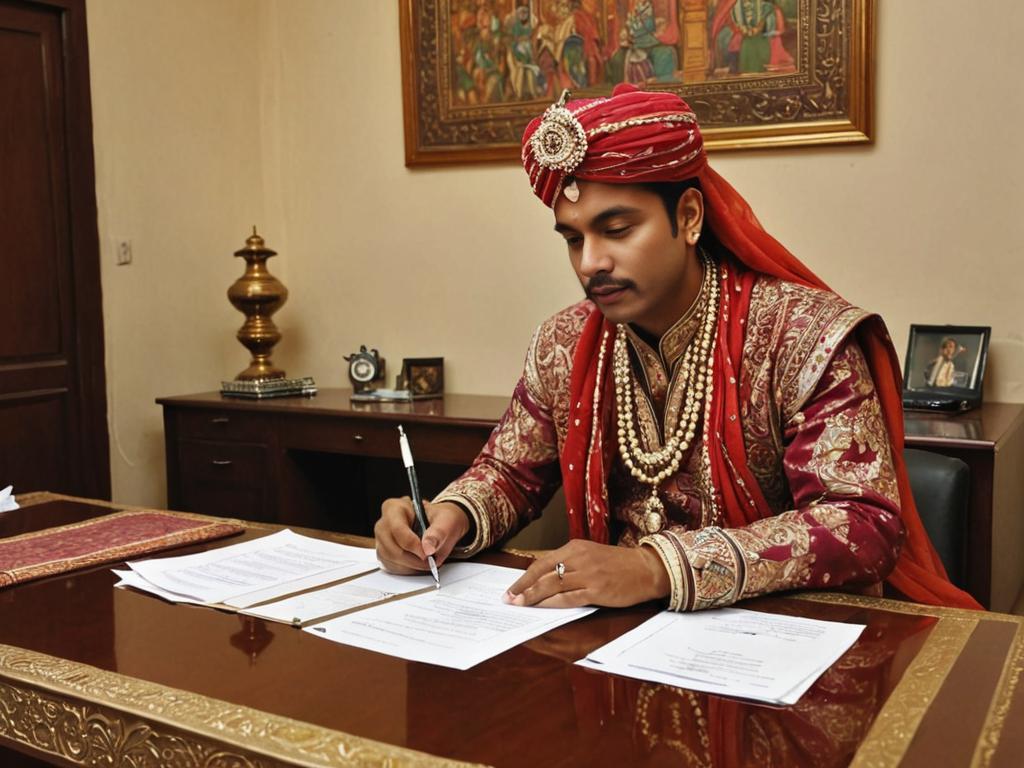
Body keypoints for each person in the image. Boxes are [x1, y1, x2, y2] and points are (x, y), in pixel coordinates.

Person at [375, 84, 980, 612]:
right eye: (572, 239)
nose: (591, 263)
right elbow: (510, 472)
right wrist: (448, 518)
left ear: (688, 216)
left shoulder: (801, 335)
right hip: (621, 641)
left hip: (785, 641)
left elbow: (861, 525)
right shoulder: (566, 342)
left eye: (617, 230)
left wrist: (656, 567)